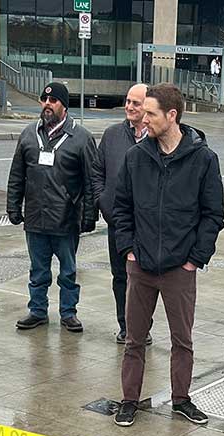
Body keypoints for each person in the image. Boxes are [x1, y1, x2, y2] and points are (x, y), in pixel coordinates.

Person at [111, 84, 224, 427]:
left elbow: (213, 215)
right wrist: (128, 249)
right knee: (134, 339)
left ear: (171, 115)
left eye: (151, 113)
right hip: (141, 265)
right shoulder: (136, 157)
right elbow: (122, 208)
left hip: (180, 268)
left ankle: (181, 399)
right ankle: (129, 400)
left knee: (182, 340)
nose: (143, 119)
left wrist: (194, 258)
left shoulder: (204, 159)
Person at [7, 82, 99, 332]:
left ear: (64, 105)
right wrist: (13, 206)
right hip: (35, 218)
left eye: (53, 101)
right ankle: (37, 311)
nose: (47, 105)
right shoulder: (28, 134)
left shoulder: (81, 138)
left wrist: (90, 215)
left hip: (66, 219)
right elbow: (17, 174)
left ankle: (68, 313)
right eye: (44, 100)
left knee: (67, 272)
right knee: (38, 271)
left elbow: (92, 180)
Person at [92, 83, 152, 345]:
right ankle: (125, 325)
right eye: (127, 101)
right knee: (120, 276)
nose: (129, 107)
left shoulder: (157, 137)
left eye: (135, 103)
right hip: (117, 223)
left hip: (147, 226)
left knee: (145, 279)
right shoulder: (112, 135)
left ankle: (142, 327)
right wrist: (104, 203)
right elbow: (97, 173)